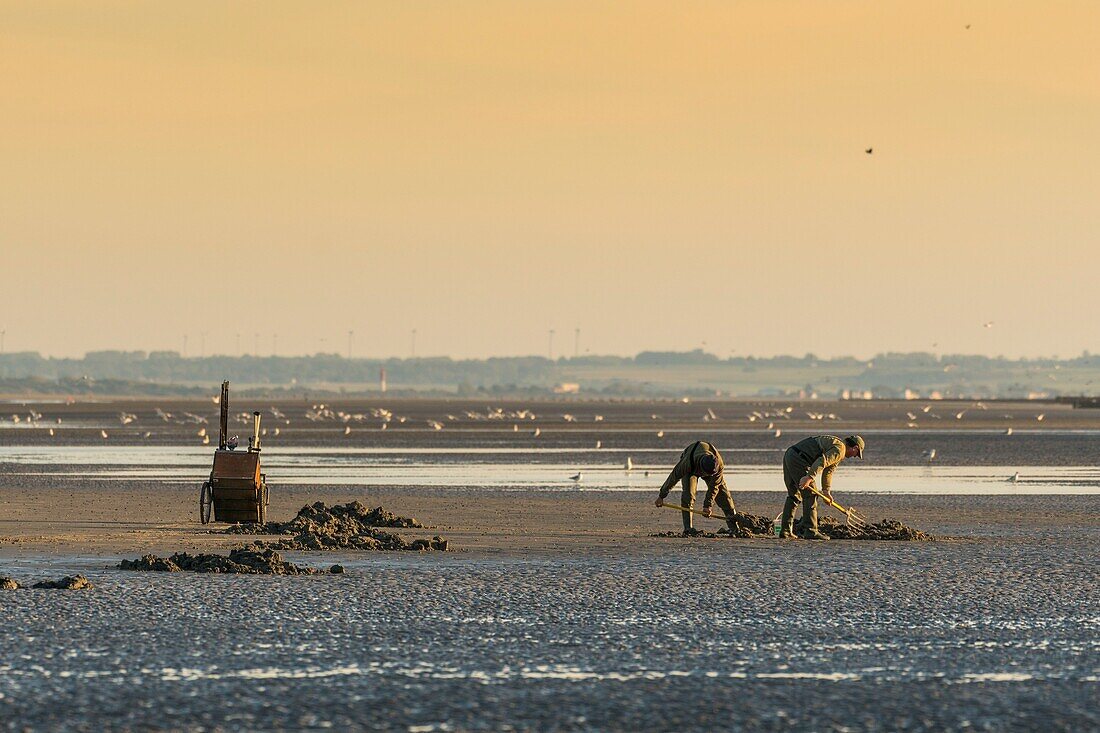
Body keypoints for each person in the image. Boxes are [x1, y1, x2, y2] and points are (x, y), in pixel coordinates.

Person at [779, 435, 864, 540]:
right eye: (857, 453)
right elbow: (822, 462)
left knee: (794, 495)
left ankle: (785, 531)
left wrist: (826, 491)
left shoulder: (837, 446)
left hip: (790, 455)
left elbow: (828, 471)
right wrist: (809, 477)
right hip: (799, 459)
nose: (855, 456)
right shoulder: (840, 449)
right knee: (811, 495)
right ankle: (811, 531)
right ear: (855, 447)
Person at [654, 441, 737, 535]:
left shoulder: (719, 466)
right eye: (705, 474)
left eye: (709, 475)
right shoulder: (687, 463)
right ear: (701, 468)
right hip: (691, 466)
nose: (705, 476)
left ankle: (734, 527)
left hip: (711, 469)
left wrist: (707, 506)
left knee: (724, 496)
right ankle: (688, 528)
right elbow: (673, 478)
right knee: (688, 495)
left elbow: (714, 487)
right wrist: (661, 496)